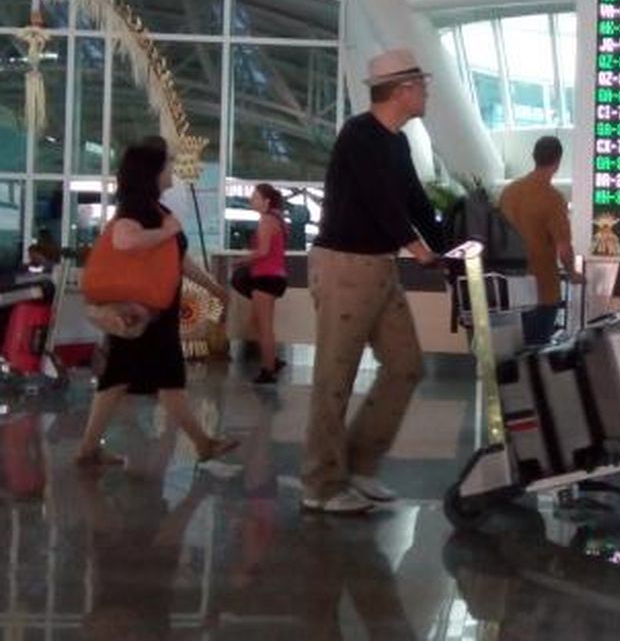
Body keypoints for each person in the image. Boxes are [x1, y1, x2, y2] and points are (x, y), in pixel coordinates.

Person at [302, 47, 444, 515]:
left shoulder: (396, 141)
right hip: (346, 266)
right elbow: (382, 202)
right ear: (403, 89)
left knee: (406, 365)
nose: (426, 91)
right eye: (421, 84)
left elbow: (414, 200)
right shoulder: (359, 135)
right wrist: (417, 248)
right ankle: (320, 485)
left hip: (377, 265)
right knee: (334, 377)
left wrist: (449, 243)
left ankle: (359, 466)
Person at [76, 141, 237, 467]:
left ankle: (88, 449)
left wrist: (212, 287)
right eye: (168, 164)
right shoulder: (139, 210)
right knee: (168, 379)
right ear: (152, 172)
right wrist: (165, 232)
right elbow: (125, 240)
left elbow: (178, 259)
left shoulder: (157, 211)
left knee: (120, 379)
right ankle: (203, 444)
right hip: (146, 312)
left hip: (148, 312)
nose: (172, 171)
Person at [498, 136, 584, 345]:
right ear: (558, 161)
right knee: (537, 351)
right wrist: (572, 274)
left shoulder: (508, 192)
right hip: (542, 289)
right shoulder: (553, 198)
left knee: (514, 351)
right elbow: (563, 248)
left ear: (533, 157)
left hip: (510, 286)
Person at [236, 183, 289, 385]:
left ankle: (268, 370)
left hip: (266, 277)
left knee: (264, 326)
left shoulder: (266, 220)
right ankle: (271, 360)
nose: (251, 200)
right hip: (272, 277)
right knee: (256, 323)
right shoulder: (276, 219)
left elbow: (264, 251)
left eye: (255, 197)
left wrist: (242, 260)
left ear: (266, 201)